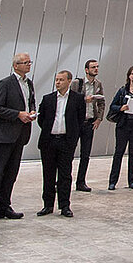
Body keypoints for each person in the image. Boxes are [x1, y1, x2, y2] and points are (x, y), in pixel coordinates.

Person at [0, 52, 35, 224]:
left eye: (30, 62)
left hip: (20, 134)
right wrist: (17, 114)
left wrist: (32, 112)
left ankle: (4, 205)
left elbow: (30, 102)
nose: (28, 65)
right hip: (4, 135)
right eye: (25, 62)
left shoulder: (29, 83)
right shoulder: (5, 83)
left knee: (12, 173)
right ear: (16, 65)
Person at [37, 70, 84, 217]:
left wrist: (72, 138)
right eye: (56, 80)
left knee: (65, 175)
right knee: (48, 174)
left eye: (61, 80)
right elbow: (41, 119)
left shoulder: (77, 99)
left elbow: (79, 120)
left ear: (69, 81)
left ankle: (65, 205)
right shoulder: (48, 99)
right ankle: (48, 205)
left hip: (66, 141)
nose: (58, 82)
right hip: (49, 141)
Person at [108, 66, 133, 190]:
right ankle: (113, 181)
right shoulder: (122, 90)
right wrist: (121, 108)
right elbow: (112, 105)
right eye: (132, 73)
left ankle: (132, 180)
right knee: (118, 152)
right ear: (128, 76)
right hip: (123, 124)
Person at [73, 59, 105, 192]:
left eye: (97, 67)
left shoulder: (98, 84)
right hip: (76, 122)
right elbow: (70, 100)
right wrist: (83, 99)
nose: (96, 69)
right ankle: (62, 181)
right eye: (93, 67)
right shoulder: (77, 83)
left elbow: (101, 102)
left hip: (89, 122)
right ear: (86, 70)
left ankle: (81, 181)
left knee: (85, 154)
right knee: (68, 154)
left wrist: (99, 119)